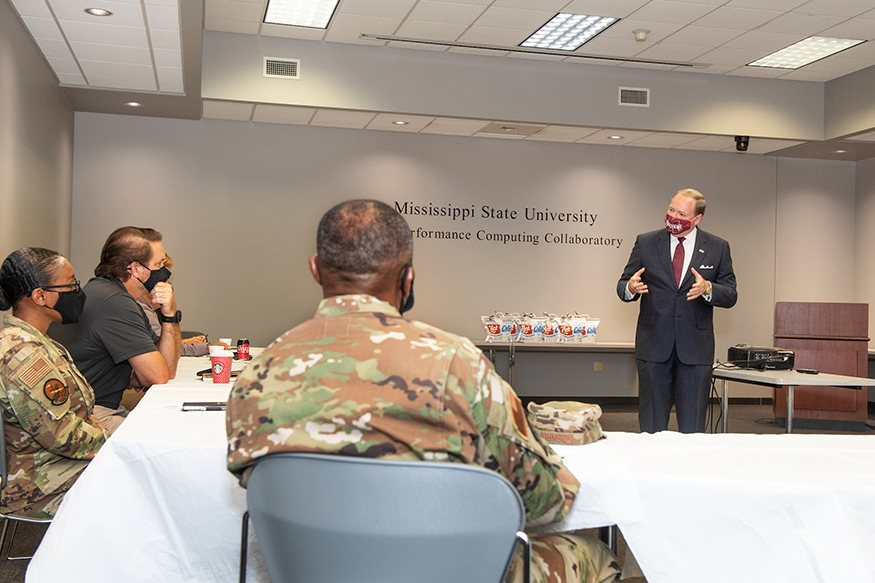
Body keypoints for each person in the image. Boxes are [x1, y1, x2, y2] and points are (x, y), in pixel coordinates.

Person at [226, 200, 620, 583]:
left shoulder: (258, 372)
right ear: (407, 278)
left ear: (315, 270)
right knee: (598, 556)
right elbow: (544, 501)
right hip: (450, 569)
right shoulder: (455, 363)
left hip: (312, 569)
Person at [617, 188, 737, 433]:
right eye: (671, 209)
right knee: (651, 424)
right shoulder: (647, 242)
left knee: (692, 425)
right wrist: (630, 287)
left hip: (695, 349)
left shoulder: (717, 247)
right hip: (653, 346)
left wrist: (708, 288)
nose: (673, 216)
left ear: (697, 219)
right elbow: (623, 285)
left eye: (681, 213)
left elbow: (731, 295)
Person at [0, 248, 109, 518]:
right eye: (70, 284)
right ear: (39, 296)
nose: (77, 292)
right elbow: (61, 435)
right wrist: (115, 442)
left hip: (56, 465)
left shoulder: (38, 342)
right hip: (39, 483)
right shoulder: (23, 353)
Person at [49, 227, 181, 431]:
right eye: (158, 264)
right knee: (168, 436)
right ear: (135, 269)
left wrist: (170, 315)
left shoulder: (112, 295)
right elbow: (159, 375)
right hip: (86, 416)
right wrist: (170, 316)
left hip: (93, 408)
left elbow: (166, 369)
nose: (164, 272)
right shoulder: (115, 303)